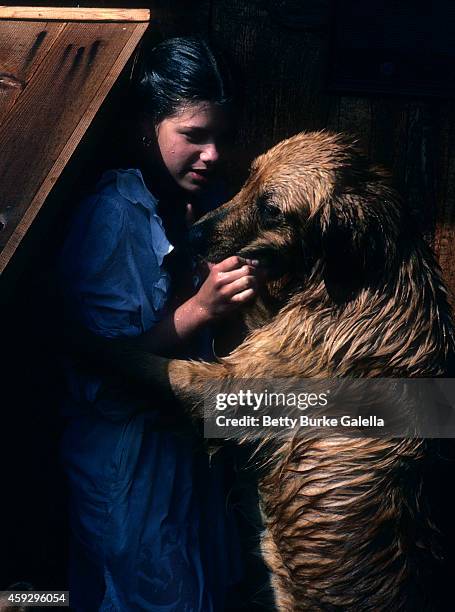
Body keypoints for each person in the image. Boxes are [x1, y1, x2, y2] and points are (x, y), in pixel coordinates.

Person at [58, 37, 258, 611]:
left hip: (177, 443)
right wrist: (201, 308)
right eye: (194, 136)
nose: (213, 154)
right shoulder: (117, 213)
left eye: (222, 136)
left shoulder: (199, 206)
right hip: (124, 451)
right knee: (142, 592)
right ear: (148, 125)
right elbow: (99, 367)